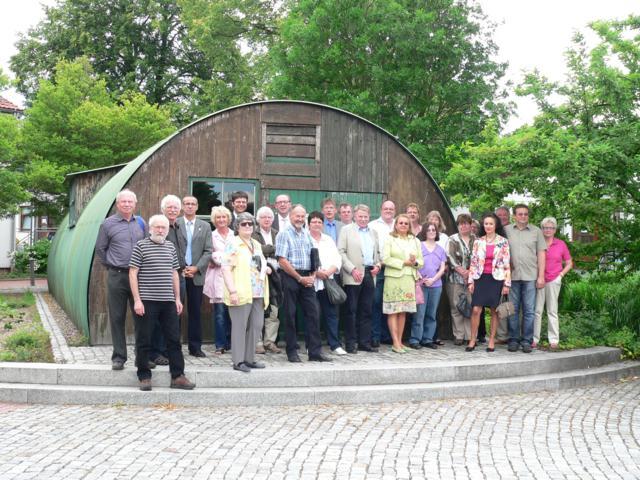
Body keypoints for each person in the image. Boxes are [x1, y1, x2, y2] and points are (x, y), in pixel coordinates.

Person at [129, 215, 195, 391]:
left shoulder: (170, 247)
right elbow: (133, 273)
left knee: (174, 340)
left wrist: (177, 298)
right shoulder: (141, 246)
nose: (160, 230)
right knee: (144, 339)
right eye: (157, 227)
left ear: (167, 230)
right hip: (147, 301)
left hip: (168, 302)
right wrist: (137, 300)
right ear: (150, 229)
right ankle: (144, 376)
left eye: (163, 228)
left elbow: (175, 273)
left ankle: (178, 376)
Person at [95, 189, 147, 370]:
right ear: (117, 204)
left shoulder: (141, 223)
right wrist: (112, 265)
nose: (126, 204)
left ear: (135, 204)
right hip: (117, 276)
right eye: (123, 202)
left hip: (138, 277)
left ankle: (142, 357)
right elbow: (100, 249)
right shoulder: (107, 224)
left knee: (141, 316)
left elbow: (146, 246)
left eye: (129, 202)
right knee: (117, 316)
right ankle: (119, 357)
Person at [276, 204, 330, 362]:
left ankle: (315, 352)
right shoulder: (283, 234)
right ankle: (292, 351)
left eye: (302, 216)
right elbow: (282, 261)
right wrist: (299, 278)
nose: (299, 219)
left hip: (308, 277)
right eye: (296, 216)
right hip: (291, 277)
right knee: (290, 315)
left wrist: (312, 276)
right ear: (291, 216)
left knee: (313, 314)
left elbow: (314, 256)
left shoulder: (307, 234)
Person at [222, 212, 270, 372]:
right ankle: (238, 361)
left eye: (250, 224)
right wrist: (232, 291)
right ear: (237, 227)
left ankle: (249, 359)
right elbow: (226, 268)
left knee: (257, 325)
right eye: (244, 224)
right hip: (241, 291)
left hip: (258, 291)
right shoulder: (233, 244)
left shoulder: (256, 244)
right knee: (239, 326)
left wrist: (266, 268)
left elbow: (259, 263)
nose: (248, 226)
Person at [338, 204, 381, 353]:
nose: (363, 219)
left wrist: (378, 265)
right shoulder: (346, 230)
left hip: (370, 274)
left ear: (369, 217)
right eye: (360, 216)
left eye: (366, 216)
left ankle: (364, 342)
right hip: (353, 275)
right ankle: (351, 343)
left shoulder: (373, 232)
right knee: (351, 310)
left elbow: (378, 254)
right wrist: (352, 269)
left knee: (367, 310)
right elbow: (341, 253)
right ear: (355, 217)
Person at [150, 194, 187, 366]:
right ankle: (156, 352)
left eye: (175, 207)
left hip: (179, 276)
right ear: (163, 209)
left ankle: (167, 350)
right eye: (169, 207)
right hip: (163, 279)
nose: (172, 210)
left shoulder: (179, 226)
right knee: (159, 318)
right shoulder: (160, 227)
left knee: (174, 316)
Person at [467, 213, 511, 352]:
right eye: (486, 223)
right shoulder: (478, 241)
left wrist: (506, 284)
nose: (488, 226)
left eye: (491, 223)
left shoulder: (503, 241)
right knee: (476, 310)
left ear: (495, 225)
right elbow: (473, 262)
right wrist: (470, 281)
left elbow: (507, 264)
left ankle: (491, 340)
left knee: (494, 311)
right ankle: (472, 339)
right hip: (480, 278)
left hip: (496, 279)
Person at [505, 204, 546, 353]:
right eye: (520, 214)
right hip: (512, 276)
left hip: (530, 276)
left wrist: (541, 276)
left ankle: (527, 341)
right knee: (512, 310)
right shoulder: (506, 231)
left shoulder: (536, 231)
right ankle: (514, 339)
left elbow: (541, 254)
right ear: (514, 216)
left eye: (526, 214)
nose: (523, 217)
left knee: (529, 310)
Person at [383, 213, 423, 353]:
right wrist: (403, 263)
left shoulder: (415, 240)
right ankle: (395, 343)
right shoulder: (390, 238)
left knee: (403, 311)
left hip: (408, 278)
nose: (404, 225)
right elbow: (385, 259)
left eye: (406, 223)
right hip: (394, 278)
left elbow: (421, 262)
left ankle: (400, 341)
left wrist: (414, 262)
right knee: (393, 311)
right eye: (401, 223)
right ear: (396, 224)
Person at [177, 196, 212, 357]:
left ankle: (195, 347)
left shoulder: (204, 226)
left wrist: (196, 267)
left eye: (192, 204)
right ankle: (174, 346)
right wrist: (181, 268)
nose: (190, 206)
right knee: (175, 311)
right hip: (178, 273)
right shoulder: (175, 224)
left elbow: (208, 251)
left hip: (196, 274)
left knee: (195, 312)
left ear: (197, 207)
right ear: (182, 207)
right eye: (187, 204)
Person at [308, 211, 346, 355]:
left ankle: (335, 344)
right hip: (311, 282)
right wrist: (317, 273)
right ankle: (311, 345)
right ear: (309, 224)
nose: (317, 224)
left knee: (331, 314)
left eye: (319, 222)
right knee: (313, 314)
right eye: (314, 222)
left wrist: (328, 272)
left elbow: (337, 259)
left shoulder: (328, 240)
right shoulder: (305, 238)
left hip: (328, 282)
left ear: (323, 224)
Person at [534, 217, 572, 350]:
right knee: (537, 311)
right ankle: (534, 339)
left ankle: (554, 340)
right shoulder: (537, 243)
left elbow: (569, 263)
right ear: (542, 229)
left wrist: (560, 276)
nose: (547, 230)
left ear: (555, 230)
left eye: (550, 228)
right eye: (545, 227)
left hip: (554, 280)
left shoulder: (561, 244)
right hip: (539, 280)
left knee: (552, 311)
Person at [203, 206, 234, 355]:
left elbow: (236, 256)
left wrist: (220, 257)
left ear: (228, 219)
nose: (221, 220)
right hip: (218, 278)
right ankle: (220, 344)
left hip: (234, 278)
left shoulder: (235, 235)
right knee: (220, 313)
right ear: (214, 220)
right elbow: (209, 255)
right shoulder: (210, 236)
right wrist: (219, 258)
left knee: (233, 313)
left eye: (224, 217)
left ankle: (232, 342)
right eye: (218, 217)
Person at [410, 222, 446, 349]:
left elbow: (442, 268)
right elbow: (414, 263)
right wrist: (420, 276)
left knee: (431, 313)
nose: (431, 232)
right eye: (429, 230)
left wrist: (433, 279)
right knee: (419, 313)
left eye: (433, 230)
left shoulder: (441, 249)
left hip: (436, 285)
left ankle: (427, 339)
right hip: (421, 284)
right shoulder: (419, 246)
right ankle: (415, 339)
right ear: (424, 232)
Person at [253, 206, 282, 354]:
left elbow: (283, 250)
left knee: (274, 310)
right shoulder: (252, 233)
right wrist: (272, 249)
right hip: (257, 276)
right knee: (257, 309)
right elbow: (256, 251)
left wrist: (266, 249)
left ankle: (269, 341)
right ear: (258, 219)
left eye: (269, 217)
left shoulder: (278, 233)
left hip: (275, 277)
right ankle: (257, 342)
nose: (266, 219)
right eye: (263, 217)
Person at [369, 200, 396, 346]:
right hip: (379, 268)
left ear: (395, 210)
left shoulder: (399, 224)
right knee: (377, 302)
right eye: (386, 208)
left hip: (395, 269)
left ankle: (389, 336)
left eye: (391, 209)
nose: (388, 211)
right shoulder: (373, 225)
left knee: (392, 303)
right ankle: (376, 336)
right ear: (381, 210)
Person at [446, 214, 475, 346]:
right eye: (460, 224)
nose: (463, 226)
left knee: (470, 306)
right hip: (455, 278)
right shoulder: (452, 239)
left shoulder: (476, 239)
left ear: (470, 225)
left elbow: (479, 257)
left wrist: (470, 272)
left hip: (472, 279)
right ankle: (459, 335)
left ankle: (469, 335)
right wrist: (461, 271)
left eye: (466, 223)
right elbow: (449, 257)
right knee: (456, 306)